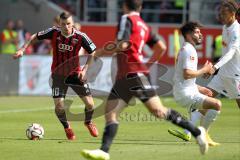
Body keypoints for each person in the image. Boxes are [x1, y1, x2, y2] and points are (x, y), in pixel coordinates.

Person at [81, 1, 208, 159]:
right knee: (112, 113)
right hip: (128, 76)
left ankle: (197, 132)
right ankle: (104, 151)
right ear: (140, 8)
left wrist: (99, 52)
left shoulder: (126, 19)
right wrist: (148, 65)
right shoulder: (143, 25)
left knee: (158, 111)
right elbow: (161, 47)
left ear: (124, 6)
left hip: (132, 74)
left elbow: (123, 44)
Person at [13, 12, 99, 140]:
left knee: (90, 105)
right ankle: (67, 127)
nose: (66, 27)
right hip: (58, 76)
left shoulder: (81, 37)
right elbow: (34, 36)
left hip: (76, 74)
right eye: (63, 24)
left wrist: (85, 70)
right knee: (59, 106)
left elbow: (93, 52)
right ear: (59, 24)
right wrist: (22, 49)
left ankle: (88, 122)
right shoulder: (54, 32)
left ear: (73, 23)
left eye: (68, 24)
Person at [168, 22, 221, 147]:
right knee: (217, 104)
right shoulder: (189, 50)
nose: (200, 34)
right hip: (184, 94)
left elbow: (184, 77)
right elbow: (187, 74)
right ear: (188, 34)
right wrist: (205, 69)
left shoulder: (187, 48)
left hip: (186, 89)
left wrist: (200, 88)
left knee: (208, 96)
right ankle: (202, 135)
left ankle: (188, 131)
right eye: (197, 32)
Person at [207, 0, 240, 108]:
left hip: (234, 75)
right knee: (203, 100)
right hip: (222, 74)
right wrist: (214, 67)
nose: (221, 16)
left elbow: (231, 53)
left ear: (233, 13)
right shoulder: (225, 28)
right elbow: (225, 52)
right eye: (220, 14)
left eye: (224, 14)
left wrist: (215, 67)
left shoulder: (237, 31)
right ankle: (194, 125)